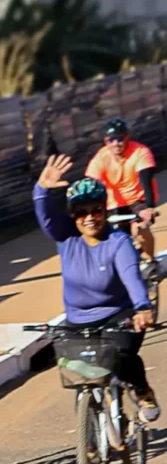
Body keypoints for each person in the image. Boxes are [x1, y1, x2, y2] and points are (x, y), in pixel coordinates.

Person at [34, 154, 159, 421]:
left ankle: (142, 390)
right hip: (78, 319)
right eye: (81, 212)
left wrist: (142, 307)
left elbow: (131, 277)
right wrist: (42, 189)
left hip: (118, 315)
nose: (89, 217)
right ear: (72, 215)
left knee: (121, 355)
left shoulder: (118, 242)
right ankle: (89, 429)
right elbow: (45, 217)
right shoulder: (66, 238)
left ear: (105, 211)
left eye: (96, 210)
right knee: (73, 367)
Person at [85, 117, 158, 261]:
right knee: (113, 239)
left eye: (119, 139)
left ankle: (151, 260)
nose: (115, 144)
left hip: (138, 199)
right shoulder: (101, 157)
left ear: (127, 137)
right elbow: (92, 184)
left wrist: (149, 207)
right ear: (106, 141)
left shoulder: (140, 151)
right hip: (114, 204)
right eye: (111, 140)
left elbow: (146, 180)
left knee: (139, 230)